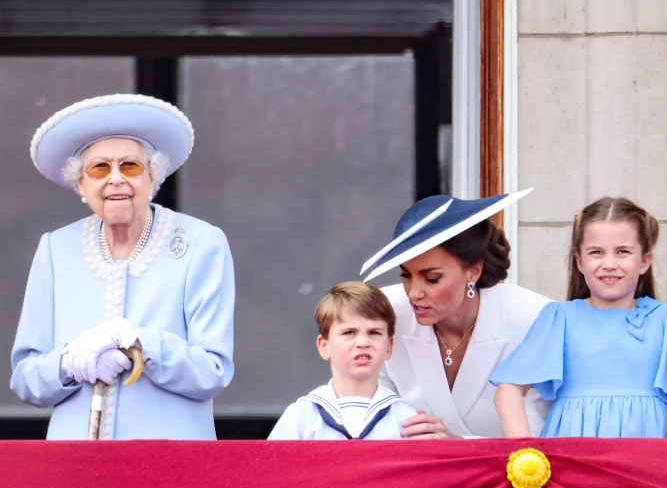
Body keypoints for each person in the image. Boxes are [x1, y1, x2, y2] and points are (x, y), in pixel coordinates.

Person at [11, 94, 235, 439]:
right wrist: (69, 362)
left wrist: (139, 342)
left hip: (170, 461)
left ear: (152, 178)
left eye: (130, 166)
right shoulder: (55, 248)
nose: (115, 179)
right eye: (99, 168)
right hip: (75, 464)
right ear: (82, 184)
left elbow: (213, 371)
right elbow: (26, 379)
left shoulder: (201, 243)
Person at [490, 197, 667, 438]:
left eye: (622, 252)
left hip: (645, 462)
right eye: (596, 252)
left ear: (644, 261)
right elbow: (508, 390)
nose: (609, 264)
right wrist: (527, 452)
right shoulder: (560, 318)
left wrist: (666, 460)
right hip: (573, 460)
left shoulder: (665, 319)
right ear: (579, 261)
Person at [360, 190, 551, 438]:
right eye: (405, 275)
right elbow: (368, 419)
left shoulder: (534, 319)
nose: (414, 292)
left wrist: (457, 444)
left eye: (431, 278)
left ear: (473, 271)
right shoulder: (385, 313)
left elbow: (539, 441)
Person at [269, 282, 418, 440]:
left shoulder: (406, 420)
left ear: (389, 346)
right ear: (324, 346)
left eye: (374, 333)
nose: (363, 342)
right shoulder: (301, 417)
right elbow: (271, 464)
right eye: (349, 333)